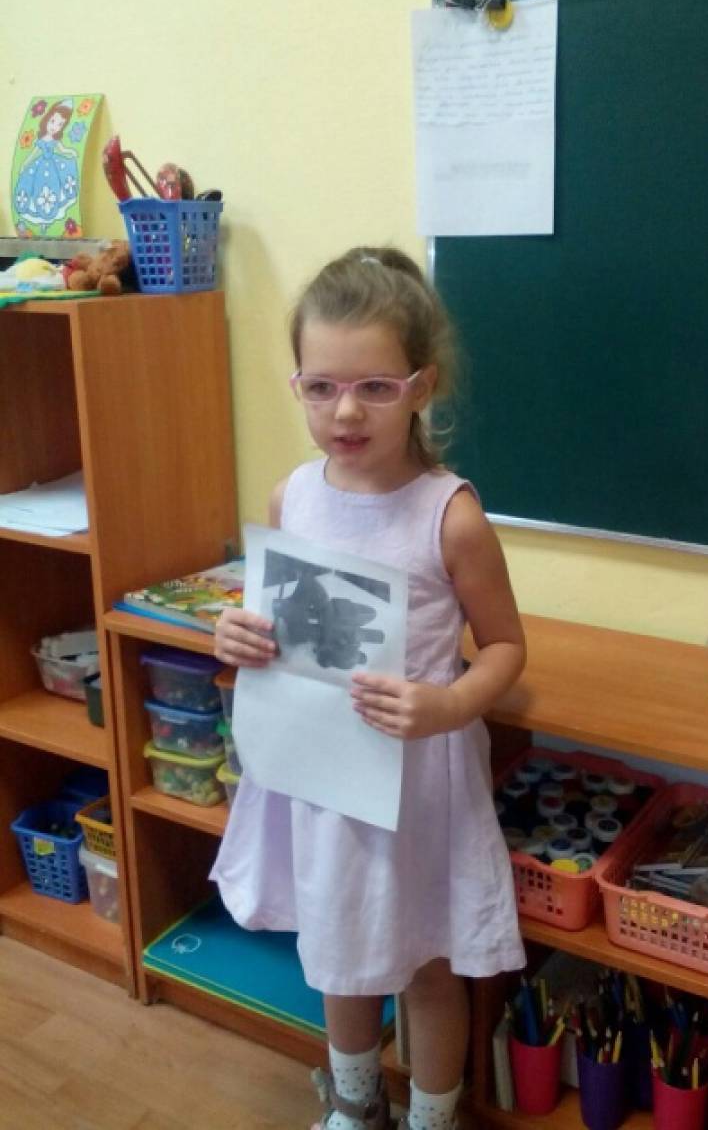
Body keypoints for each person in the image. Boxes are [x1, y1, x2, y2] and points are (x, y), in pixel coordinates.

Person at [211, 246, 527, 1130]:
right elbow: (271, 625)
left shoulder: (449, 515)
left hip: (415, 783)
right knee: (336, 940)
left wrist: (449, 704)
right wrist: (235, 634)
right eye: (320, 387)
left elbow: (505, 647)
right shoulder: (292, 497)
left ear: (422, 386)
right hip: (320, 774)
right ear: (298, 384)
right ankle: (356, 1106)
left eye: (375, 387)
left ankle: (432, 1117)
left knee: (425, 961)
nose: (344, 410)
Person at [13, 100, 79, 232]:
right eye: (53, 121)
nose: (55, 126)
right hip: (40, 168)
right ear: (47, 119)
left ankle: (49, 220)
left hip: (54, 166)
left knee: (55, 189)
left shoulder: (55, 140)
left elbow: (63, 150)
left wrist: (71, 152)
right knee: (40, 191)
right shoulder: (41, 141)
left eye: (60, 124)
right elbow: (33, 154)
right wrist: (24, 164)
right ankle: (43, 220)